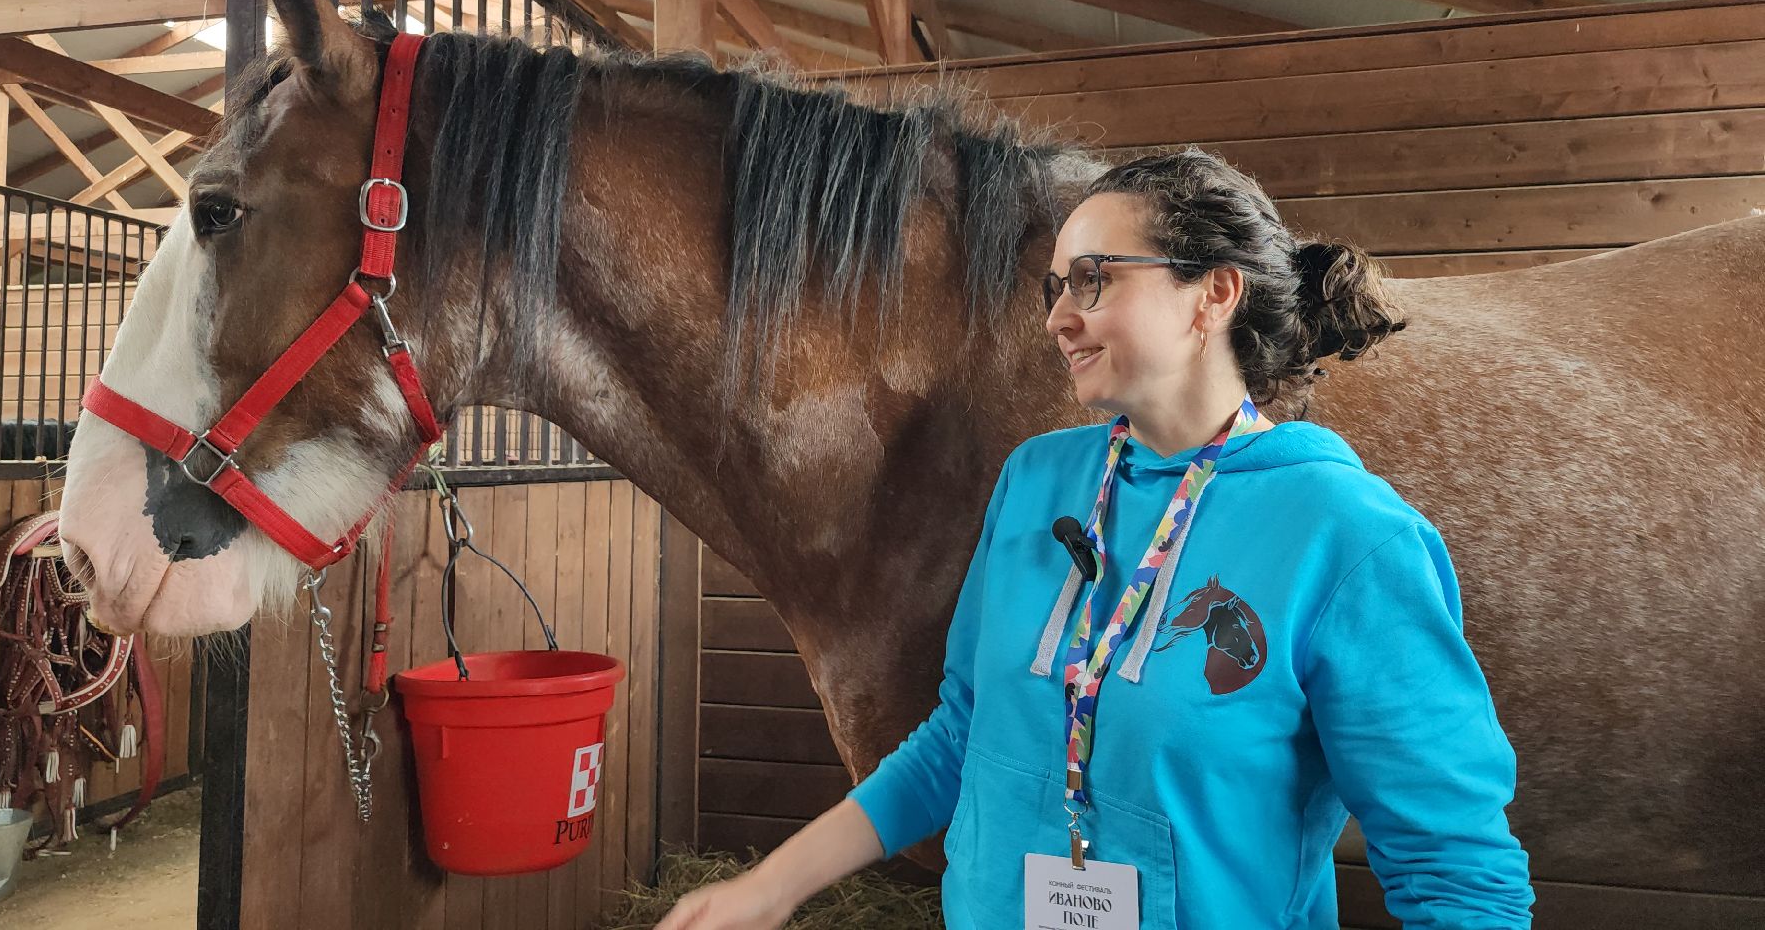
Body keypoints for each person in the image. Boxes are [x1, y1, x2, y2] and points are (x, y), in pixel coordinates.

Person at [656, 148, 1535, 929]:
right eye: (1055, 289)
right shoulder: (1036, 480)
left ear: (1214, 294)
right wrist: (774, 886)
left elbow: (1458, 876)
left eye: (1093, 280)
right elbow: (961, 733)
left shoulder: (1352, 540)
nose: (1056, 318)